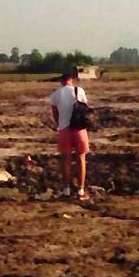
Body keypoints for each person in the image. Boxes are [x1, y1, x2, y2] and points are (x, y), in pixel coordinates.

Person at [48, 68, 91, 200]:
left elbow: (55, 114)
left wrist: (60, 125)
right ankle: (80, 191)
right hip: (79, 129)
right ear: (72, 80)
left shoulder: (55, 94)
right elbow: (85, 110)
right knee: (81, 159)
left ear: (61, 81)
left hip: (64, 129)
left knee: (65, 159)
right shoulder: (80, 91)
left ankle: (66, 190)